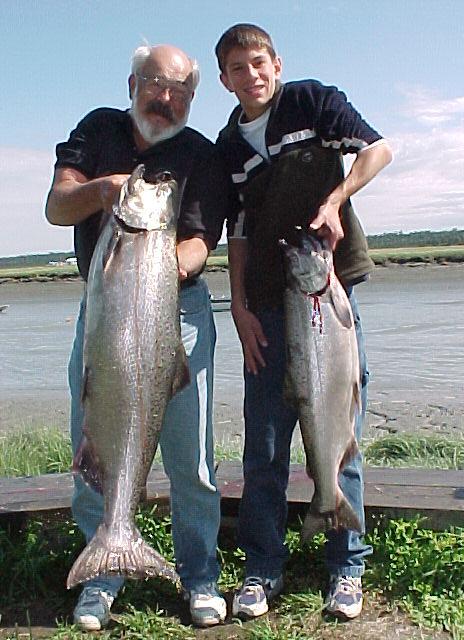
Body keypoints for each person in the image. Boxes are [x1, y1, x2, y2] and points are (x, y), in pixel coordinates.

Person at [45, 44, 229, 630]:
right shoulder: (97, 129)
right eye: (156, 83)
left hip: (177, 311)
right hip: (102, 317)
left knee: (192, 458)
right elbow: (56, 206)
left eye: (180, 90)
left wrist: (163, 264)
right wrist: (104, 192)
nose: (167, 97)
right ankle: (102, 572)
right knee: (94, 447)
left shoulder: (201, 153)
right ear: (133, 82)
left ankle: (199, 577)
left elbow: (202, 239)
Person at [214, 24, 393, 621]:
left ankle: (347, 567)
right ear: (224, 79)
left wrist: (336, 199)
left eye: (258, 63)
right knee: (263, 449)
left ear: (276, 63)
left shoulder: (314, 103)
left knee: (341, 437)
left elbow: (379, 149)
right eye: (238, 68)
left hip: (330, 297)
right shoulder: (228, 147)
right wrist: (238, 306)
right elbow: (236, 233)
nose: (251, 75)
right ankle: (261, 570)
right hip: (265, 309)